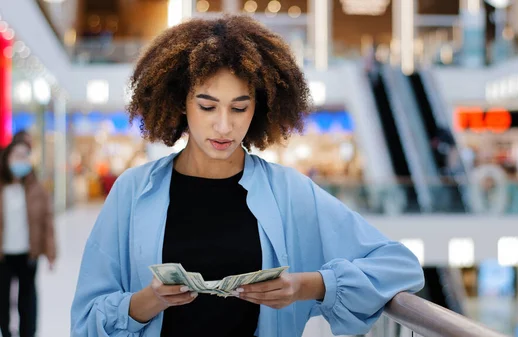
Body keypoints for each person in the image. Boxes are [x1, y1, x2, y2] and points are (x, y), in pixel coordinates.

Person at [70, 15, 424, 337]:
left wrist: (307, 286)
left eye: (240, 107)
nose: (224, 126)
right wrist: (147, 302)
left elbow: (400, 267)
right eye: (207, 106)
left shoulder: (289, 192)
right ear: (180, 102)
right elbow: (86, 321)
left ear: (261, 106)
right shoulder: (133, 192)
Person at [0, 140, 56, 337]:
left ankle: (27, 333)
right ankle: (5, 332)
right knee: (3, 300)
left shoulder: (37, 189)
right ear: (6, 159)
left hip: (28, 253)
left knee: (28, 298)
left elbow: (47, 222)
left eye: (25, 156)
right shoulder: (2, 188)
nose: (20, 161)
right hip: (3, 256)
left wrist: (50, 252)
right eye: (16, 156)